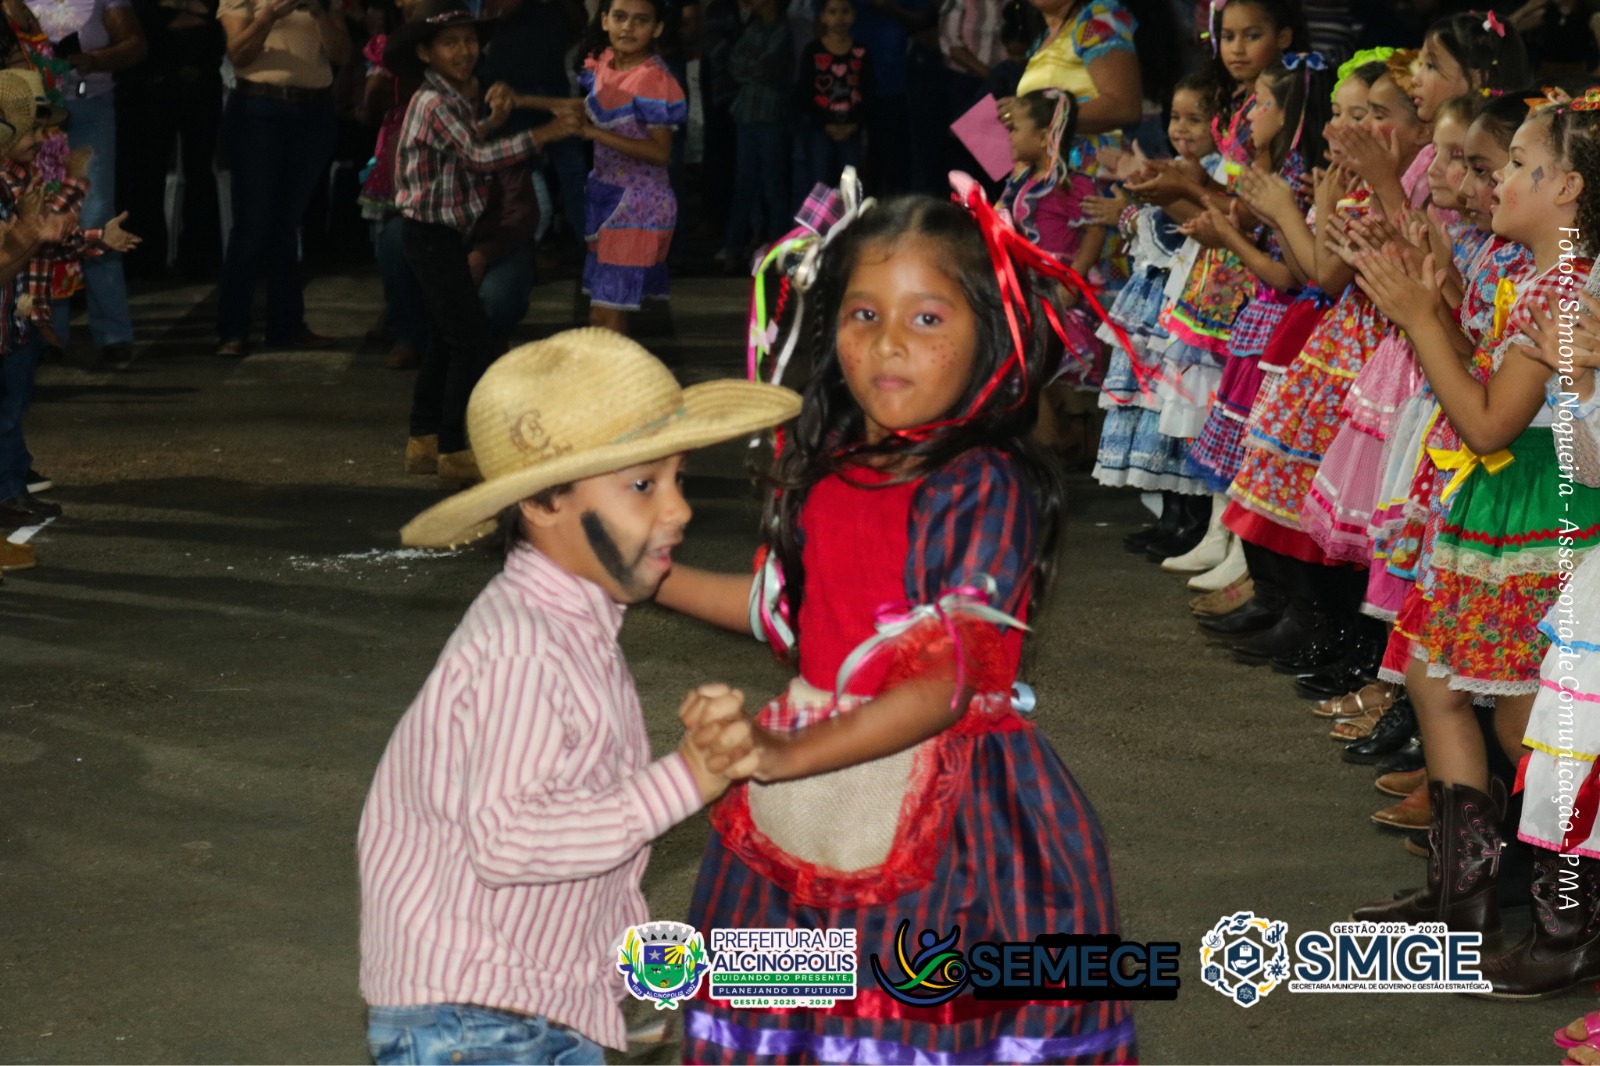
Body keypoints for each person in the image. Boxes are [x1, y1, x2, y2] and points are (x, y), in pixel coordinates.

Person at [656, 190, 1135, 1063]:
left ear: (991, 331)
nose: (887, 343)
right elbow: (794, 620)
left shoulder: (982, 482)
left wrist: (784, 754)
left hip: (952, 822)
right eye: (864, 314)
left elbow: (945, 681)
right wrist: (645, 578)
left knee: (905, 1022)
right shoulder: (830, 467)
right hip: (803, 791)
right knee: (792, 1018)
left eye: (927, 318)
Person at [361, 328, 801, 1064]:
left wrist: (613, 984)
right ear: (543, 501)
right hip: (480, 1021)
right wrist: (686, 778)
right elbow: (511, 840)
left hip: (517, 1006)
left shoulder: (573, 630)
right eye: (643, 485)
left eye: (678, 478)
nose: (679, 509)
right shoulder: (523, 650)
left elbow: (573, 849)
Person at [1349, 94, 1600, 941]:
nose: (1498, 182)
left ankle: (1566, 897)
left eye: (1518, 166)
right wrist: (1433, 311)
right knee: (1436, 680)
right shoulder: (1536, 278)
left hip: (1543, 503)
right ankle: (1466, 891)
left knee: (1529, 716)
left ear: (1568, 186)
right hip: (1505, 500)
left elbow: (1489, 422)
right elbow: (1486, 383)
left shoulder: (1565, 290)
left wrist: (1422, 320)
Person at [386, 0, 577, 485]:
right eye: (450, 43)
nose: (465, 51)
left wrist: (492, 120)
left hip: (443, 235)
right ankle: (453, 448)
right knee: (468, 342)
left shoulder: (448, 97)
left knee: (445, 338)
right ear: (426, 53)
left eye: (470, 41)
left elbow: (466, 141)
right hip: (430, 236)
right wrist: (546, 132)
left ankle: (424, 441)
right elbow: (477, 156)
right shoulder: (432, 101)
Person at [216, 0, 351, 357]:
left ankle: (286, 325)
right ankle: (233, 329)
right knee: (252, 223)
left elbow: (342, 54)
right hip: (258, 111)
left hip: (313, 112)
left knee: (286, 222)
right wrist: (271, 13)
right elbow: (239, 54)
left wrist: (319, 11)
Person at [25, 0, 143, 369]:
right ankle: (50, 333)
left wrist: (94, 60)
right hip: (36, 116)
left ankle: (113, 333)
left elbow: (135, 45)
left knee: (95, 215)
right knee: (45, 217)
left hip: (89, 109)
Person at [578, 0, 686, 335]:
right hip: (607, 198)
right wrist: (523, 101)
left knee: (607, 315)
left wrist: (595, 133)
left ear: (657, 28)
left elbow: (660, 152)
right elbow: (586, 109)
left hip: (637, 206)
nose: (628, 27)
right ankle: (619, 370)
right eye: (620, 17)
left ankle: (621, 371)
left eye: (640, 20)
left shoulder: (652, 79)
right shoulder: (607, 63)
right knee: (602, 316)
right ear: (605, 20)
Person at [117, 0, 224, 281]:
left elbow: (218, 18)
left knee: (200, 172)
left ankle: (197, 256)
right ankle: (149, 258)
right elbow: (145, 21)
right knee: (150, 173)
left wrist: (177, 10)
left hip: (204, 83)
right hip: (155, 85)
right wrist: (193, 11)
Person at [998, 0, 1140, 184]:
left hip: (1088, 176)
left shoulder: (1097, 21)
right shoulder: (1046, 37)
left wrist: (1035, 114)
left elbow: (1124, 107)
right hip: (1048, 172)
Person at [716, 0, 791, 269]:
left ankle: (778, 246)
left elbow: (767, 67)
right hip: (747, 113)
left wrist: (749, 66)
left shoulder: (783, 31)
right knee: (745, 184)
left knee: (773, 185)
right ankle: (736, 245)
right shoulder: (753, 28)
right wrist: (751, 66)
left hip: (770, 115)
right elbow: (735, 63)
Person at [794, 0, 870, 200]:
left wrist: (855, 124)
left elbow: (868, 92)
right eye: (833, 12)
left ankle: (850, 220)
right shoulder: (813, 51)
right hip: (821, 130)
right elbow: (805, 93)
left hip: (852, 130)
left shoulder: (861, 51)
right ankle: (821, 221)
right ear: (823, 17)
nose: (839, 18)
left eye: (845, 11)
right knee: (820, 183)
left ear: (853, 15)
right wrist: (825, 124)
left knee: (850, 186)